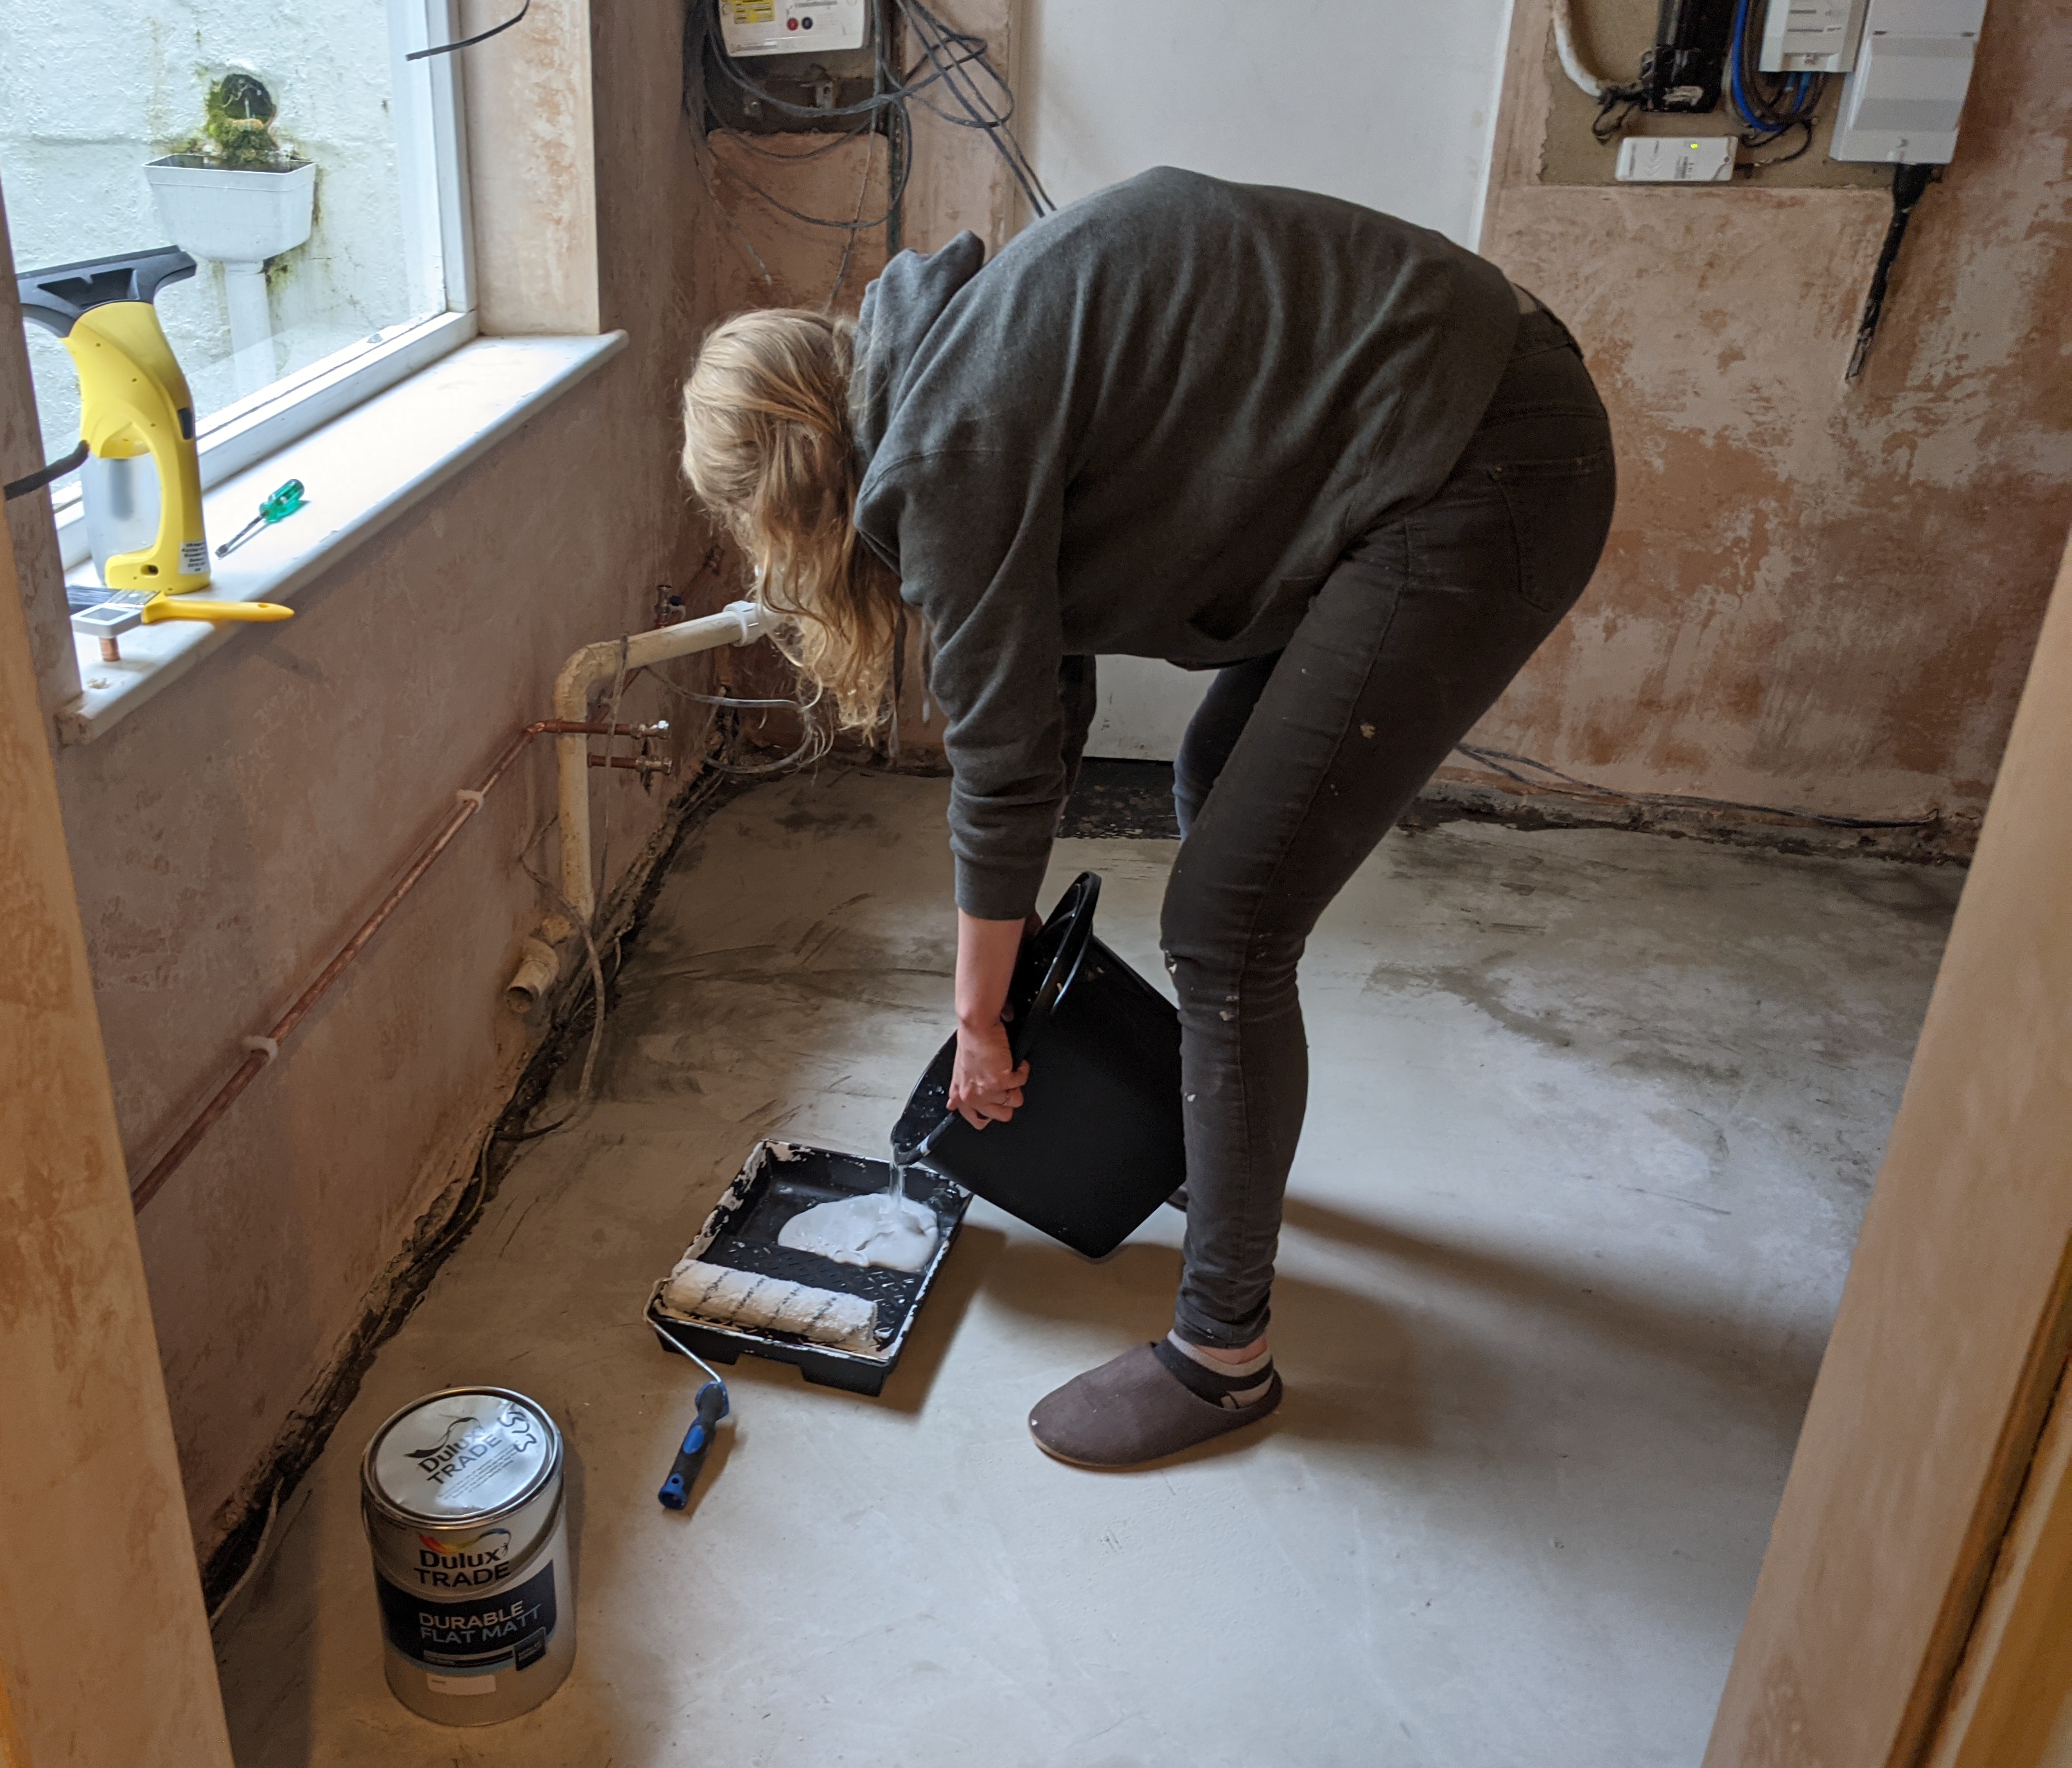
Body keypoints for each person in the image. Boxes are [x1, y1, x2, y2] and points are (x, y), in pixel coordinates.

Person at [680, 168, 1615, 1467]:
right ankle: (1199, 1140)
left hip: (1477, 459)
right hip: (1453, 417)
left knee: (1229, 924)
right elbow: (1041, 694)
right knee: (1219, 786)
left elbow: (1003, 767)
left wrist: (979, 1024)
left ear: (791, 494)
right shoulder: (955, 366)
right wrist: (1004, 973)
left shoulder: (945, 449)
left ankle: (1224, 1358)